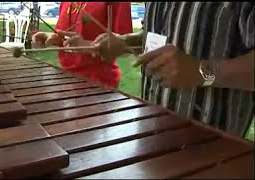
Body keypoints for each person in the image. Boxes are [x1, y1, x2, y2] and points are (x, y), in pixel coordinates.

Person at [91, 2, 254, 137]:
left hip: (215, 151)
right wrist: (125, 42)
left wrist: (200, 73)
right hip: (151, 136)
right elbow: (160, 34)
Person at [32, 2, 132, 88]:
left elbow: (127, 47)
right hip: (65, 80)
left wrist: (85, 45)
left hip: (99, 85)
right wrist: (49, 38)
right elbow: (67, 38)